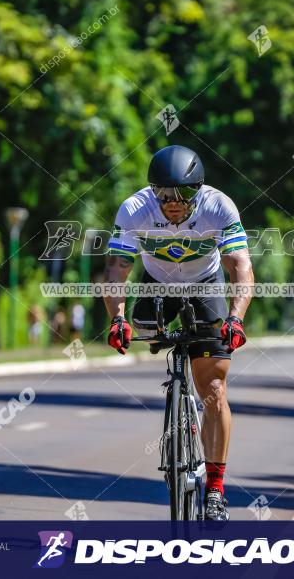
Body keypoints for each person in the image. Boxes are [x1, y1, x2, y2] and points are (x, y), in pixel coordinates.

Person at [103, 145, 254, 522]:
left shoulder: (220, 207)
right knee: (140, 325)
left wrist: (235, 318)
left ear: (199, 191)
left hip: (206, 285)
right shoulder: (134, 209)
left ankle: (216, 489)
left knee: (214, 390)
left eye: (183, 194)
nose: (173, 202)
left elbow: (241, 268)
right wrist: (117, 319)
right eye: (164, 194)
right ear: (152, 191)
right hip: (157, 283)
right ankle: (161, 342)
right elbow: (117, 270)